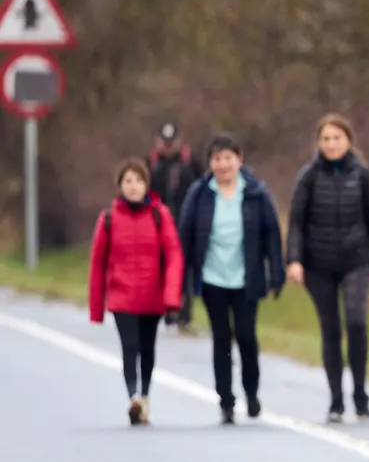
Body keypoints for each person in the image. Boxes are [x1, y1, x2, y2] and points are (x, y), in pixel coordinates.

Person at [286, 113, 369, 423]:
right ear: (318, 143)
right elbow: (296, 222)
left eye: (337, 138)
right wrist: (294, 260)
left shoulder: (362, 175)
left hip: (356, 260)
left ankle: (360, 392)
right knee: (330, 328)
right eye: (326, 139)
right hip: (318, 264)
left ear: (348, 141)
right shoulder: (308, 177)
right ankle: (336, 399)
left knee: (356, 320)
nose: (331, 144)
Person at [178, 134, 285, 425]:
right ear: (210, 163)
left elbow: (271, 235)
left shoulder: (256, 194)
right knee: (222, 339)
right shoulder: (200, 194)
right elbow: (185, 238)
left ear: (239, 160)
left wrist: (277, 272)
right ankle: (226, 400)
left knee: (247, 337)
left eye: (228, 158)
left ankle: (251, 393)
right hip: (213, 277)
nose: (223, 164)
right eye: (217, 159)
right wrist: (180, 282)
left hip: (246, 277)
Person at [88, 158, 185, 425]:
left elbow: (174, 254)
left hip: (151, 296)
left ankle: (145, 395)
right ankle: (133, 397)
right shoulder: (108, 218)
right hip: (122, 297)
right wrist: (96, 307)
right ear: (120, 186)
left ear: (146, 185)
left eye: (138, 181)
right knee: (129, 347)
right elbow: (97, 264)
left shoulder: (159, 215)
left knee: (147, 348)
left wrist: (171, 296)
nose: (133, 187)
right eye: (127, 181)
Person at [147, 120, 203, 329]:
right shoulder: (151, 164)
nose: (168, 147)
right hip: (158, 225)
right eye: (165, 142)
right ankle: (166, 307)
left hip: (186, 224)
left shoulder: (190, 163)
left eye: (172, 142)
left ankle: (185, 310)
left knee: (185, 267)